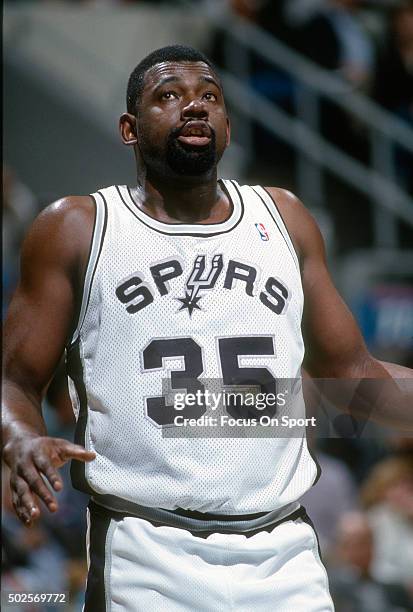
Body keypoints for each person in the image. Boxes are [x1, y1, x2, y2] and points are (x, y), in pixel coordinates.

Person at [2, 44, 412, 611]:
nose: (193, 107)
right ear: (128, 128)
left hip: (284, 550)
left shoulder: (284, 217)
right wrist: (19, 439)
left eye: (209, 97)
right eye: (168, 96)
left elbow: (353, 374)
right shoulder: (78, 227)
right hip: (146, 547)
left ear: (226, 124)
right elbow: (14, 380)